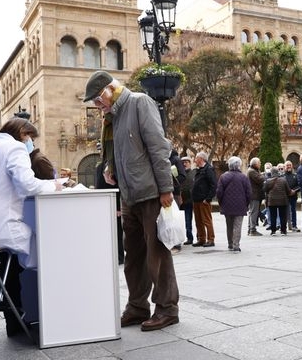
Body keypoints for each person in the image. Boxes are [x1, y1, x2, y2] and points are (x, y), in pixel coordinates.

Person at [83, 70, 180, 331]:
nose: (97, 105)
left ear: (110, 89)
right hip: (129, 195)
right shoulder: (112, 116)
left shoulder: (139, 103)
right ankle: (137, 307)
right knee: (133, 256)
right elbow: (119, 152)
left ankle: (167, 309)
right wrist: (109, 167)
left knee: (157, 254)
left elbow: (158, 147)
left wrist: (166, 188)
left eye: (98, 99)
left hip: (150, 192)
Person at [0, 117, 62, 336]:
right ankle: (36, 312)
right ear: (22, 133)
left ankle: (12, 310)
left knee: (11, 265)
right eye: (29, 136)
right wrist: (54, 185)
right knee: (47, 249)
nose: (30, 141)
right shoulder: (15, 148)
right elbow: (28, 184)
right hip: (5, 227)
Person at [216, 156, 252, 252]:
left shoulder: (223, 177)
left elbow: (219, 192)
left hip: (227, 205)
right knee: (237, 226)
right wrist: (246, 203)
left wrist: (221, 203)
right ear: (239, 165)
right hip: (240, 205)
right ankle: (236, 245)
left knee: (229, 225)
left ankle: (230, 244)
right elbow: (249, 193)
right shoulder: (244, 177)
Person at [192, 151, 216, 247]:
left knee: (206, 220)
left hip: (204, 200)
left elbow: (213, 185)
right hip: (196, 200)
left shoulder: (208, 169)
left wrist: (208, 198)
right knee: (198, 221)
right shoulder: (199, 170)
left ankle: (211, 239)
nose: (195, 160)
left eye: (196, 158)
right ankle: (201, 239)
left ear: (201, 159)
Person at [263, 167, 292, 235]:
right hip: (282, 200)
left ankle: (273, 231)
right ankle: (283, 231)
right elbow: (288, 190)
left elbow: (264, 190)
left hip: (272, 200)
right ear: (278, 172)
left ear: (271, 173)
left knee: (273, 216)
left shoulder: (268, 181)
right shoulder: (283, 180)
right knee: (283, 216)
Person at [246, 157, 265, 237]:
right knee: (254, 212)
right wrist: (264, 175)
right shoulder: (252, 171)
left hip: (255, 194)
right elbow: (260, 179)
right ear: (255, 164)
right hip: (254, 195)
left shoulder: (253, 170)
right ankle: (252, 230)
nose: (260, 164)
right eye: (259, 163)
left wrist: (261, 174)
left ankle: (250, 229)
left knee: (252, 212)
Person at [179, 156, 195, 245]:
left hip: (190, 200)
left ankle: (192, 238)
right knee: (182, 221)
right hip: (180, 200)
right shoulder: (179, 174)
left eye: (186, 162)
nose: (184, 164)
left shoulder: (194, 173)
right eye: (183, 163)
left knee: (189, 220)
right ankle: (184, 238)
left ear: (190, 163)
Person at [283, 160, 301, 232]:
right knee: (284, 212)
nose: (289, 166)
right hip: (284, 197)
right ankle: (284, 226)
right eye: (287, 165)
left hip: (293, 196)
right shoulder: (282, 177)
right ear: (284, 167)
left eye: (290, 165)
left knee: (293, 211)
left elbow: (299, 185)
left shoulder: (295, 176)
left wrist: (294, 191)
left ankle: (294, 225)